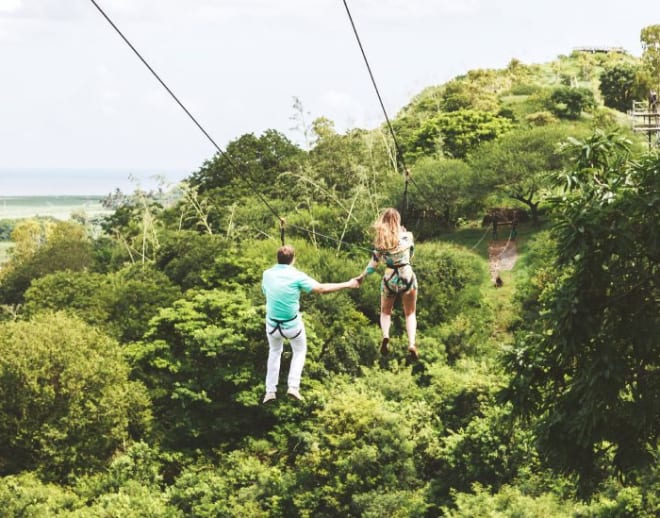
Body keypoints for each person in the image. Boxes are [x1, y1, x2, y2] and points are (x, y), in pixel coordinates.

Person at [261, 244, 360, 404]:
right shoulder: (297, 276)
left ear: (277, 259)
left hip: (273, 325)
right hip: (291, 325)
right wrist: (348, 284)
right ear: (293, 259)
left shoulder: (267, 274)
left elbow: (267, 292)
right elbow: (321, 288)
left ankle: (270, 391)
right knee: (299, 350)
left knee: (275, 351)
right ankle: (293, 386)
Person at [358, 208, 419, 360]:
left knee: (385, 312)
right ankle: (411, 343)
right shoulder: (408, 236)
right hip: (407, 277)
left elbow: (372, 266)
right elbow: (411, 255)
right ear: (398, 221)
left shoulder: (380, 242)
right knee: (410, 313)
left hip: (389, 279)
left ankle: (385, 335)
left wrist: (362, 276)